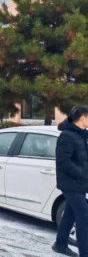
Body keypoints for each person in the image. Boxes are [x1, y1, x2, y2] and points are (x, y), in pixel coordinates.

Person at [53, 105, 88, 257]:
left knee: (70, 214)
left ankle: (60, 244)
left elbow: (81, 158)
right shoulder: (67, 136)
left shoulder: (81, 134)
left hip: (79, 183)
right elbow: (64, 162)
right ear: (83, 118)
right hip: (70, 183)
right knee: (84, 217)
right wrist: (81, 173)